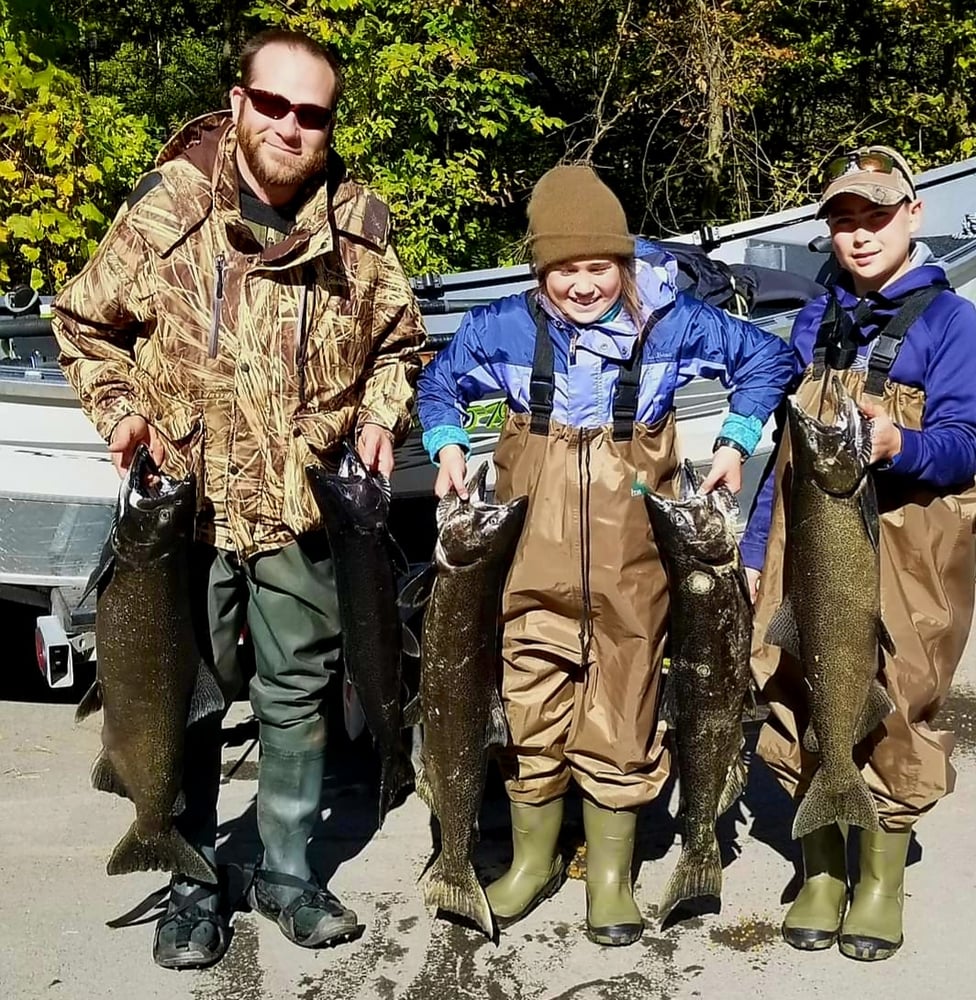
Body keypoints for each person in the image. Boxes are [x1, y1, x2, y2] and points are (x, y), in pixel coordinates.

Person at [52, 28, 425, 969]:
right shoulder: (171, 206)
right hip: (185, 508)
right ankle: (192, 878)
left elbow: (400, 345)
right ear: (238, 100)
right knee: (185, 694)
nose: (291, 129)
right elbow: (83, 322)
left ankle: (289, 872)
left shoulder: (361, 227)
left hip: (302, 504)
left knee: (298, 690)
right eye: (274, 105)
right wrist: (120, 411)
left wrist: (381, 416)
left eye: (313, 115)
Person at [416, 164, 792, 945]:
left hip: (635, 569)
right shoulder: (503, 327)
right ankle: (532, 860)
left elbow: (766, 361)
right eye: (563, 270)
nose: (582, 286)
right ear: (538, 268)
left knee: (625, 705)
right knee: (529, 700)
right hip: (527, 567)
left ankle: (612, 875)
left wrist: (738, 437)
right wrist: (447, 442)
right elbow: (437, 385)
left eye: (598, 268)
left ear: (622, 262)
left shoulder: (675, 322)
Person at [741, 145, 976, 961]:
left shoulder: (954, 324)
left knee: (898, 699)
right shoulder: (815, 316)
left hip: (911, 548)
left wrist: (897, 442)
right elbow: (783, 448)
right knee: (792, 685)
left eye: (876, 215)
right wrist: (749, 544)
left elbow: (966, 446)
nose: (860, 234)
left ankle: (879, 879)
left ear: (914, 215)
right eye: (844, 220)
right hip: (806, 535)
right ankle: (822, 868)